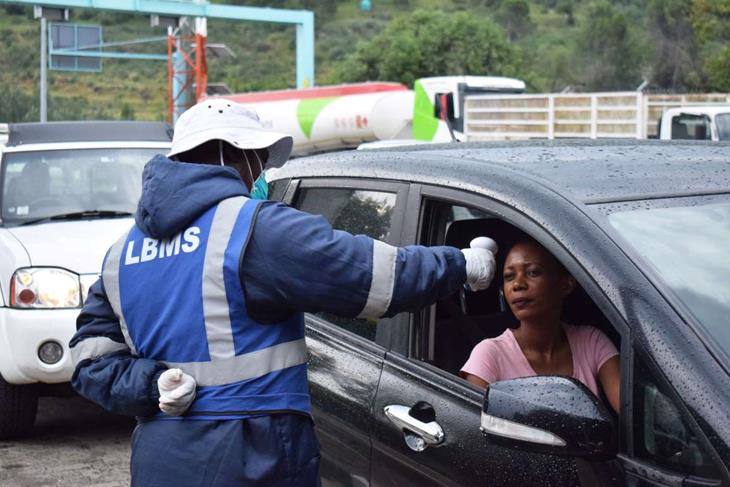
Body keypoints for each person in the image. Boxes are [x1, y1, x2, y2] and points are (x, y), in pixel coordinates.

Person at [69, 99, 497, 487]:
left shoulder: (121, 253)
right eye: (258, 159)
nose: (261, 172)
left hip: (161, 463)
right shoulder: (254, 228)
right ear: (231, 154)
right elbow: (376, 277)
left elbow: (88, 361)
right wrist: (463, 264)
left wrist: (150, 386)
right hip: (248, 459)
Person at [461, 238, 620, 414]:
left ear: (566, 283)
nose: (518, 284)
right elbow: (473, 430)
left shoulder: (591, 342)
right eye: (509, 277)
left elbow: (633, 412)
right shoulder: (489, 354)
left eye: (533, 272)